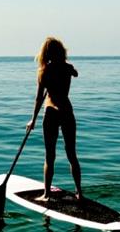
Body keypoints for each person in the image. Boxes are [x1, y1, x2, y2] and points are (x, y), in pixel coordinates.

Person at [26, 37, 83, 202]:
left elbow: (38, 99)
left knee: (49, 156)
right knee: (71, 154)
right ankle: (79, 193)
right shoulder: (67, 69)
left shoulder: (43, 72)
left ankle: (47, 194)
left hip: (51, 112)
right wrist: (66, 67)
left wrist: (33, 120)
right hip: (66, 111)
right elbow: (76, 74)